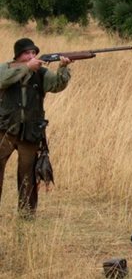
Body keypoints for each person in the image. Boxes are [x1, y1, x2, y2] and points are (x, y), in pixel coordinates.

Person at [0, 38, 72, 218]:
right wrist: (26, 68)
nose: (31, 56)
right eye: (27, 53)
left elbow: (56, 85)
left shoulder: (41, 73)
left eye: (34, 53)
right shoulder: (5, 68)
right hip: (5, 128)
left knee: (28, 175)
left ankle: (26, 214)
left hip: (31, 131)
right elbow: (2, 81)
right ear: (18, 55)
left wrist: (63, 68)